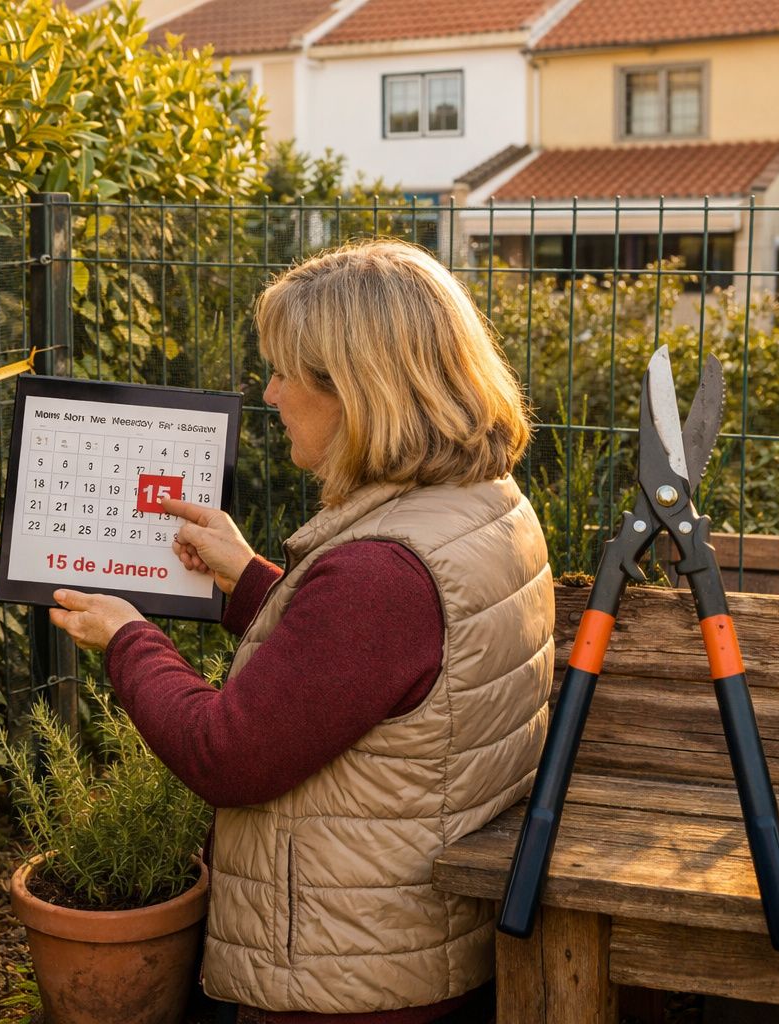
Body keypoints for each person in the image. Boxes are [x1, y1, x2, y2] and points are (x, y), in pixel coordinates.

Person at [50, 239, 555, 1023]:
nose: (271, 392)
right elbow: (384, 677)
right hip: (410, 940)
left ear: (359, 391)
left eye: (287, 372)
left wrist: (127, 637)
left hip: (343, 977)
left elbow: (228, 755)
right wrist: (245, 576)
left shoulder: (379, 575)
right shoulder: (479, 504)